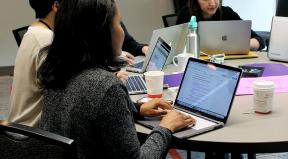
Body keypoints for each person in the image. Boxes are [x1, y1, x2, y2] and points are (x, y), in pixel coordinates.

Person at [37, 0, 195, 158]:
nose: (122, 31)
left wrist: (137, 109)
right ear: (102, 32)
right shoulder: (106, 87)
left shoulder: (57, 70)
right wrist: (165, 128)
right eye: (118, 23)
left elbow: (93, 114)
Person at [8, 0, 61, 127]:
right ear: (55, 5)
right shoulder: (46, 39)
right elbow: (68, 89)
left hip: (20, 128)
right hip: (33, 136)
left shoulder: (35, 30)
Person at [176, 0, 265, 51]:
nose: (213, 3)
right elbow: (177, 46)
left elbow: (260, 41)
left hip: (226, 63)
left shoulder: (227, 13)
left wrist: (239, 44)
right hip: (197, 64)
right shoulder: (185, 14)